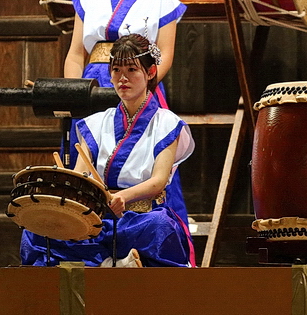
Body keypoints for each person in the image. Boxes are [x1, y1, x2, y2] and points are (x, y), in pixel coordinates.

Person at [22, 34, 195, 267]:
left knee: (160, 226)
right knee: (37, 231)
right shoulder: (95, 123)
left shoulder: (167, 123)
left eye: (132, 69)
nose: (122, 78)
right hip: (98, 217)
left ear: (151, 72)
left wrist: (123, 196)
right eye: (116, 70)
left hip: (140, 217)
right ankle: (111, 265)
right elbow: (81, 177)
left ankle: (112, 264)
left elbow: (158, 181)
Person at [63, 0, 190, 225]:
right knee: (89, 154)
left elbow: (166, 54)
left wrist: (142, 83)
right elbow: (76, 52)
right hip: (92, 84)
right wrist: (72, 93)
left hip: (139, 82)